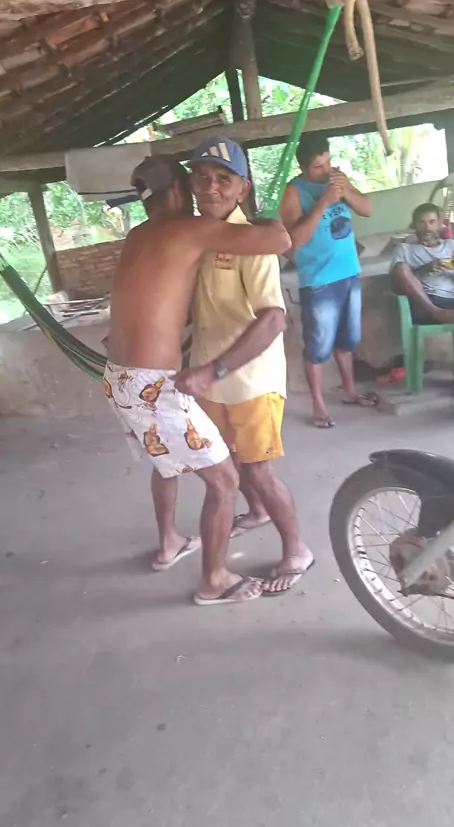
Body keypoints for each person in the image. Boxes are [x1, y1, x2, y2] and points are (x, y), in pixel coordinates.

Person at [105, 154, 291, 605]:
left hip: (118, 378)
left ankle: (169, 543)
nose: (204, 191)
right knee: (224, 482)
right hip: (153, 384)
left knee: (165, 460)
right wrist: (263, 215)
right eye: (195, 184)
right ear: (177, 191)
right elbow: (280, 240)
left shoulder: (137, 235)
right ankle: (214, 580)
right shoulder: (189, 227)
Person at [174, 136, 314, 596]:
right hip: (209, 381)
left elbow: (273, 319)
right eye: (202, 178)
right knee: (228, 465)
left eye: (223, 179)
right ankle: (255, 513)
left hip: (250, 381)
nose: (211, 187)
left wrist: (210, 371)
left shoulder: (253, 243)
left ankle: (297, 549)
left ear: (242, 189)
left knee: (258, 472)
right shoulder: (195, 237)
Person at [280, 132, 372, 428]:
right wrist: (323, 202)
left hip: (349, 273)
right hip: (319, 280)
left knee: (347, 341)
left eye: (328, 162)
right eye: (318, 166)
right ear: (304, 168)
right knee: (318, 348)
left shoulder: (337, 179)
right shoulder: (294, 192)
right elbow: (292, 241)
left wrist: (346, 191)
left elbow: (366, 209)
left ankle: (349, 391)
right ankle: (318, 406)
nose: (326, 170)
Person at [391, 202, 454, 388]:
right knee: (401, 268)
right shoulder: (404, 249)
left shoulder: (452, 246)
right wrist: (425, 269)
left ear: (440, 224)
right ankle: (439, 313)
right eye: (422, 223)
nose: (427, 228)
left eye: (432, 222)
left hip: (452, 304)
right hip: (422, 304)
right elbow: (396, 285)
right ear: (414, 225)